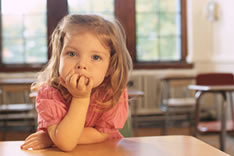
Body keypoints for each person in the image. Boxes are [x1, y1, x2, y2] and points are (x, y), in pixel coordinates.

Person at [21, 14, 132, 152]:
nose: (82, 65)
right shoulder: (49, 93)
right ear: (59, 57)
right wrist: (81, 98)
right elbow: (66, 143)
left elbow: (101, 134)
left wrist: (51, 138)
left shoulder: (113, 92)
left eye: (95, 57)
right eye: (72, 54)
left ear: (110, 67)